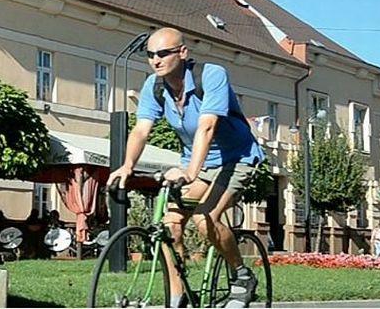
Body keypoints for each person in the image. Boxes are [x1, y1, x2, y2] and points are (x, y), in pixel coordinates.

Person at [107, 27, 264, 308]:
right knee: (170, 225)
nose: (156, 60)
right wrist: (126, 166)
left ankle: (241, 275)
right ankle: (178, 296)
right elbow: (141, 130)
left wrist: (190, 173)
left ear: (182, 53)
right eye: (150, 54)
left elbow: (207, 126)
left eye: (163, 53)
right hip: (197, 160)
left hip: (236, 157)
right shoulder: (153, 87)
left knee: (206, 219)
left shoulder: (211, 75)